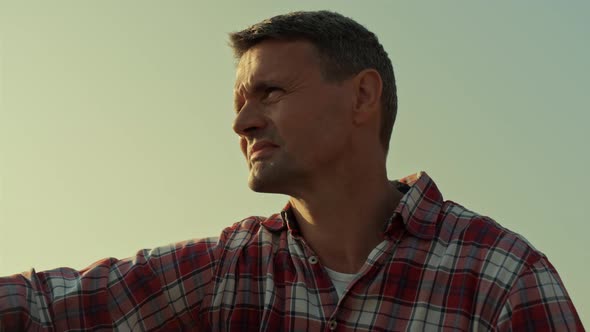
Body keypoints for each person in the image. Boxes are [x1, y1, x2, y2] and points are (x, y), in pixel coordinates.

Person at [0, 10, 583, 331]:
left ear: (361, 97)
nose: (243, 124)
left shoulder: (501, 277)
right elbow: (45, 308)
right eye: (238, 105)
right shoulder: (227, 269)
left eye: (270, 92)